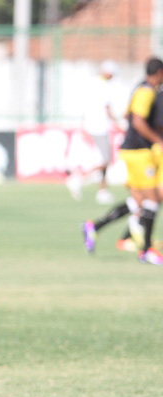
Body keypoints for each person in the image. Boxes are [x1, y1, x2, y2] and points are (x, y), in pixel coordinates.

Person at [83, 57, 163, 264]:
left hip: (138, 151)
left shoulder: (144, 89)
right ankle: (146, 249)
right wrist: (158, 140)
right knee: (152, 200)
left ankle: (96, 226)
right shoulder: (146, 92)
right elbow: (136, 120)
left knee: (139, 202)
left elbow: (130, 115)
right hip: (139, 152)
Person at [66, 60, 123, 204]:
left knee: (104, 159)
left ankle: (102, 191)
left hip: (92, 124)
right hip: (99, 126)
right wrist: (118, 123)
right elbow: (107, 108)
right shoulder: (104, 86)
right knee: (106, 160)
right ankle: (79, 178)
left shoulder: (92, 82)